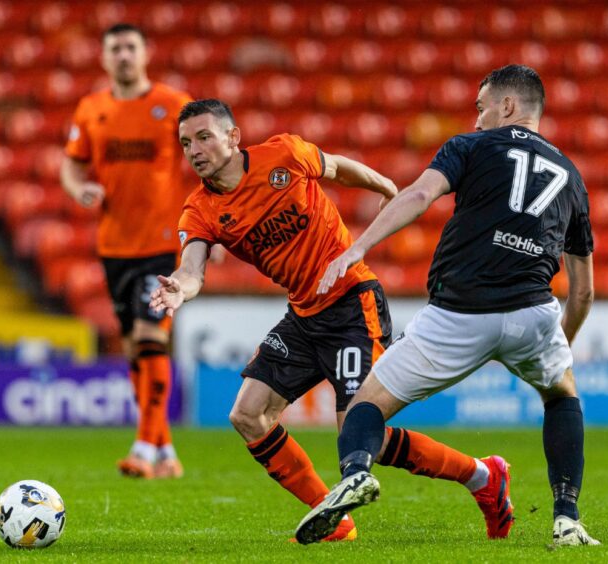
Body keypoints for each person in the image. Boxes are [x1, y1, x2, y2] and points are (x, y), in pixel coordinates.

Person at [152, 99, 510, 543]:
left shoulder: (284, 155)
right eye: (186, 142)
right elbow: (192, 269)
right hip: (303, 316)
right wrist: (179, 289)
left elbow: (338, 168)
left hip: (352, 303)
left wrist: (383, 187)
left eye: (204, 137)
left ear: (233, 136)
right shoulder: (200, 209)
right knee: (248, 414)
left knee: (360, 435)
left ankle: (482, 476)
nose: (195, 149)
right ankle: (334, 516)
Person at [296, 64, 600, 547]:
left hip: (457, 315)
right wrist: (559, 345)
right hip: (533, 314)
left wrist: (357, 248)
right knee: (562, 396)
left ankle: (355, 472)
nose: (477, 119)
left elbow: (419, 193)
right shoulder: (573, 178)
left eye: (481, 108)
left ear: (506, 106)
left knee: (366, 405)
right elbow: (582, 292)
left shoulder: (471, 146)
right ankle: (567, 519)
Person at [60, 23, 192, 479]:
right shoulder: (92, 108)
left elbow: (207, 161)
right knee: (136, 346)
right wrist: (79, 190)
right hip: (115, 246)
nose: (123, 54)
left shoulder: (173, 106)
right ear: (103, 57)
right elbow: (71, 165)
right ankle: (165, 451)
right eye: (114, 48)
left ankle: (141, 447)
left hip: (162, 243)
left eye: (130, 46)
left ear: (146, 52)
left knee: (151, 335)